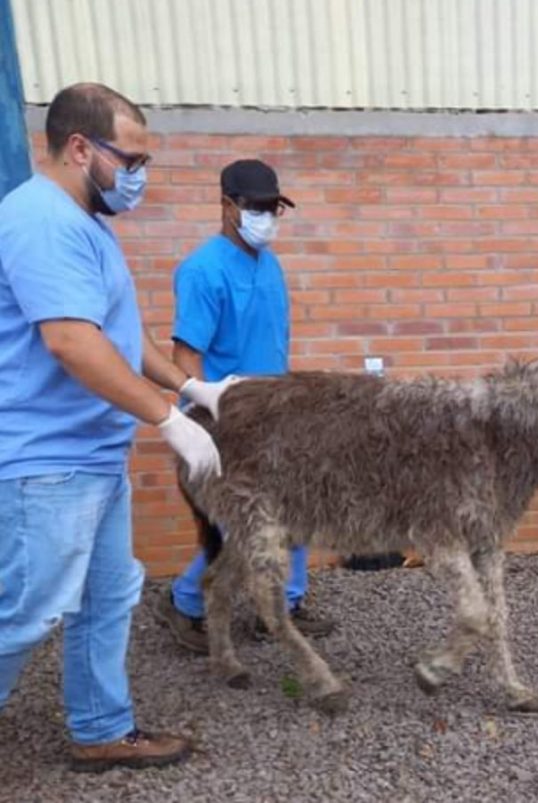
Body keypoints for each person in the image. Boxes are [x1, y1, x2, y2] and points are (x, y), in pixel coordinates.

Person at [0, 82, 233, 771]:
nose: (139, 176)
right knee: (29, 609)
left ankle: (101, 727)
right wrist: (169, 419)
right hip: (47, 461)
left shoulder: (85, 222)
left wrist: (191, 386)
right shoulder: (41, 220)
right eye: (129, 159)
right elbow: (73, 342)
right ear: (79, 147)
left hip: (93, 455)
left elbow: (117, 335)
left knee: (108, 597)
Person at [154, 159, 336, 653]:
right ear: (227, 205)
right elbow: (185, 355)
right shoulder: (202, 270)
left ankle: (283, 606)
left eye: (273, 207)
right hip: (227, 422)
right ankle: (184, 603)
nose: (266, 216)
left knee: (297, 511)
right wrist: (202, 421)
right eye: (255, 207)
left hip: (277, 416)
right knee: (244, 527)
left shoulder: (268, 263)